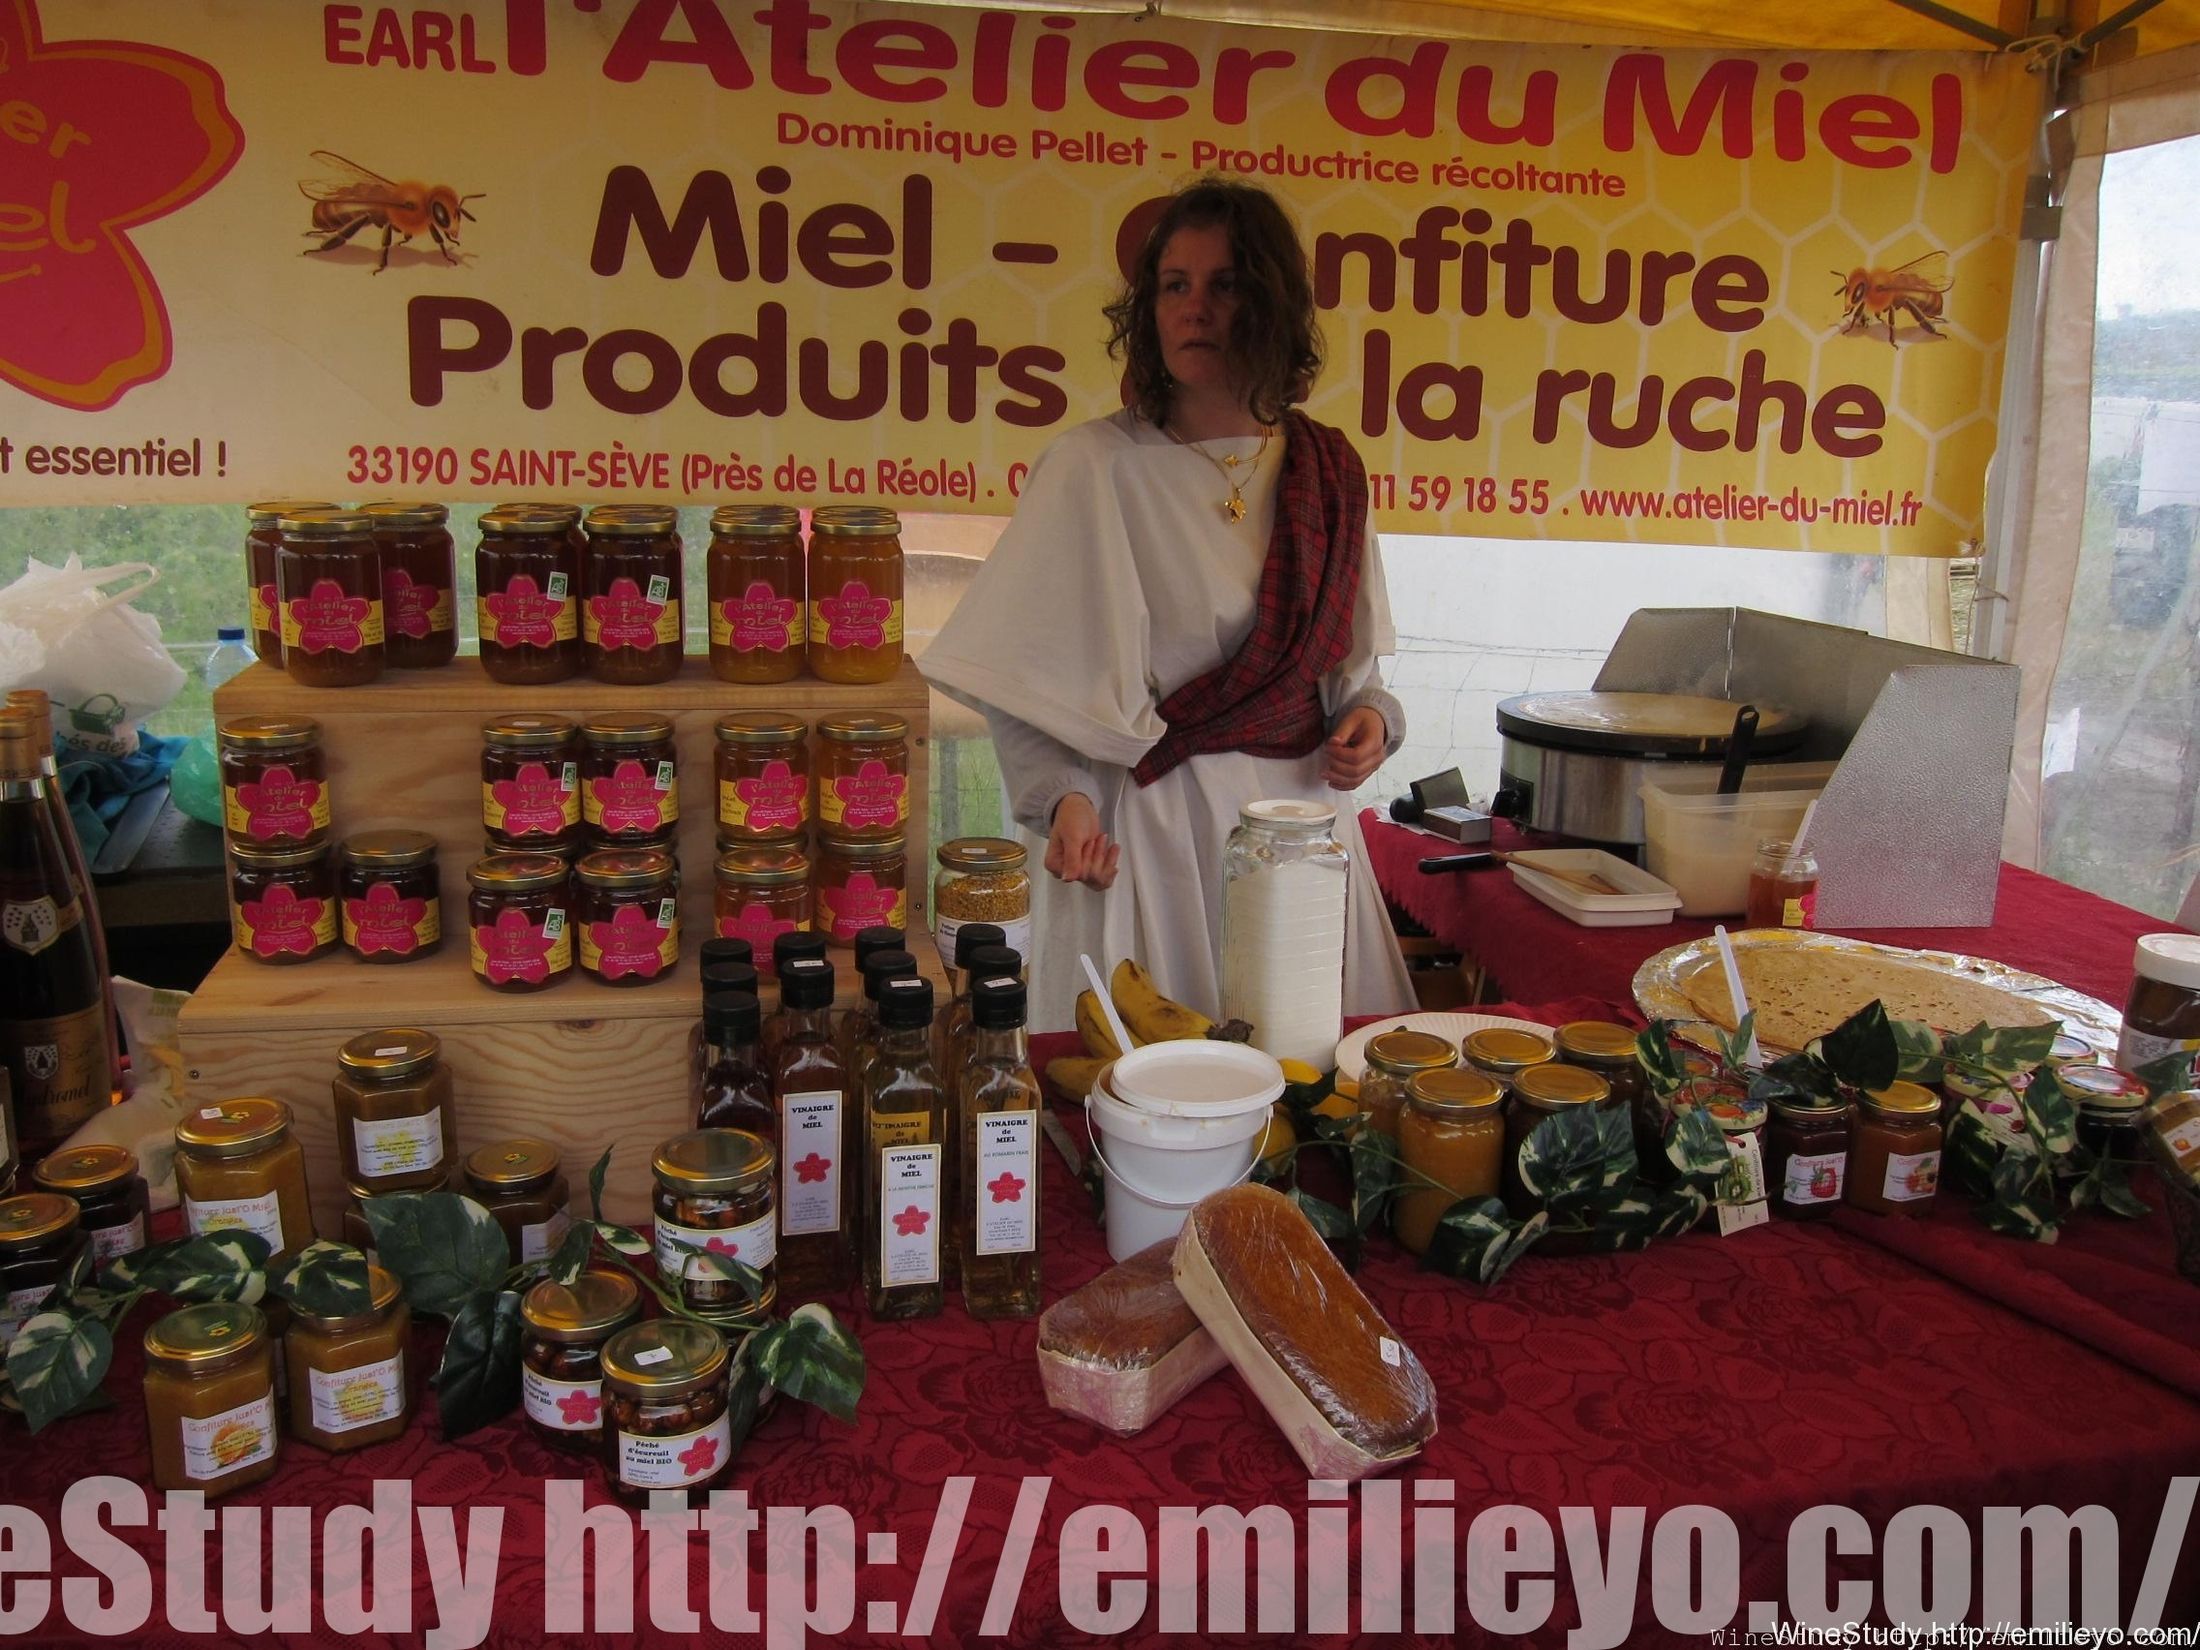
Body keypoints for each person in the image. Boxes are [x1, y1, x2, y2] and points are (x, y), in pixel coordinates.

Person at [921, 178, 1416, 1031]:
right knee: (1147, 1076)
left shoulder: (1330, 469)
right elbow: (1029, 684)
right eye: (1174, 285)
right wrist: (1064, 799)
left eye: (1225, 285)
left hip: (1300, 831)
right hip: (1148, 825)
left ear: (1271, 304)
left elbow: (1353, 670)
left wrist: (1372, 719)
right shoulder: (1094, 468)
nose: (1195, 309)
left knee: (1315, 1076)